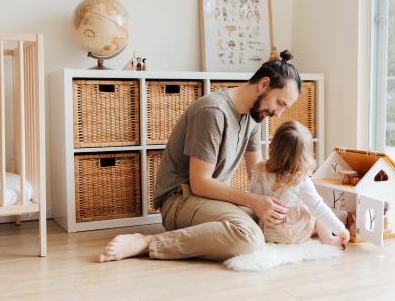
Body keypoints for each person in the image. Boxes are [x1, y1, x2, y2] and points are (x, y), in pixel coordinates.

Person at [99, 50, 302, 262]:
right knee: (249, 237)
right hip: (181, 199)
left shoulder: (253, 116)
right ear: (263, 84)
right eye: (280, 103)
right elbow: (200, 183)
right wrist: (253, 202)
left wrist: (285, 199)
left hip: (213, 200)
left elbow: (258, 173)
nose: (279, 113)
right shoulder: (213, 111)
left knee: (273, 220)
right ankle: (149, 242)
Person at [250, 121, 350, 247]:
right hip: (293, 233)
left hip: (267, 231)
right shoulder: (300, 179)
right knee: (316, 209)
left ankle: (313, 231)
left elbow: (253, 197)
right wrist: (341, 230)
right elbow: (319, 209)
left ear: (273, 146)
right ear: (305, 156)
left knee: (307, 206)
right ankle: (328, 238)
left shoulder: (259, 170)